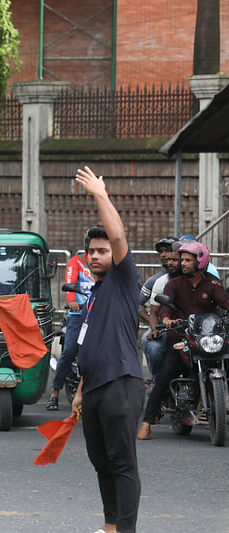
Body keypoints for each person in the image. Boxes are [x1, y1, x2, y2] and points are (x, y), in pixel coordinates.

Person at [70, 167, 145, 533]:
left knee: (121, 463)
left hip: (121, 383)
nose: (98, 255)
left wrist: (101, 193)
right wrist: (80, 392)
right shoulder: (94, 296)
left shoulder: (123, 278)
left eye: (103, 250)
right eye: (92, 252)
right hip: (95, 388)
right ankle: (111, 525)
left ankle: (126, 530)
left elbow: (117, 234)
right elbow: (88, 345)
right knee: (100, 462)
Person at [137, 241, 229, 440]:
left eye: (188, 260)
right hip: (181, 337)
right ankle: (147, 423)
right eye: (182, 259)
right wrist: (167, 319)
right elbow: (165, 307)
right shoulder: (174, 283)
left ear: (200, 261)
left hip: (206, 338)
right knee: (165, 375)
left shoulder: (212, 283)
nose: (183, 263)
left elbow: (223, 300)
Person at [46, 247, 93, 410]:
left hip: (99, 315)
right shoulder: (77, 261)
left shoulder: (109, 263)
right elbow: (70, 283)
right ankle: (55, 392)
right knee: (70, 351)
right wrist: (72, 301)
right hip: (78, 314)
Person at [140, 246, 181, 382]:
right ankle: (158, 381)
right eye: (168, 259)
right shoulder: (158, 282)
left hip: (191, 328)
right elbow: (153, 312)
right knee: (151, 344)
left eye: (175, 259)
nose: (170, 263)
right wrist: (155, 329)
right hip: (166, 327)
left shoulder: (197, 279)